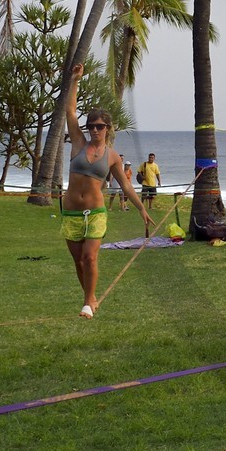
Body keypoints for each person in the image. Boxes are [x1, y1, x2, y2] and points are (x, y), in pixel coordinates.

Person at [62, 64, 149, 318]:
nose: (95, 130)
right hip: (71, 214)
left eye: (100, 126)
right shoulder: (78, 143)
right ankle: (89, 298)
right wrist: (75, 80)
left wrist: (142, 208)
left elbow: (125, 185)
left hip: (96, 212)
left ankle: (89, 303)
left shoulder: (112, 157)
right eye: (91, 126)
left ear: (108, 128)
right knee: (78, 262)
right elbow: (69, 111)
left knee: (90, 258)